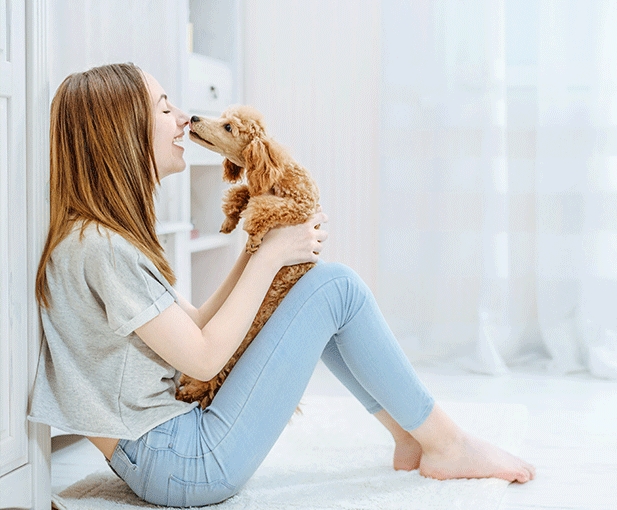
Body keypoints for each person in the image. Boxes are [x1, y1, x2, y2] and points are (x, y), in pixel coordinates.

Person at [28, 63, 535, 507]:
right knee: (335, 287)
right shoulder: (103, 250)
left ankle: (409, 436)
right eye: (164, 109)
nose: (184, 117)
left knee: (318, 287)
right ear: (121, 133)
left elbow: (197, 324)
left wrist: (260, 247)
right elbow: (204, 358)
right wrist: (272, 256)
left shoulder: (95, 238)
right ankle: (447, 444)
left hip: (159, 456)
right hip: (182, 461)